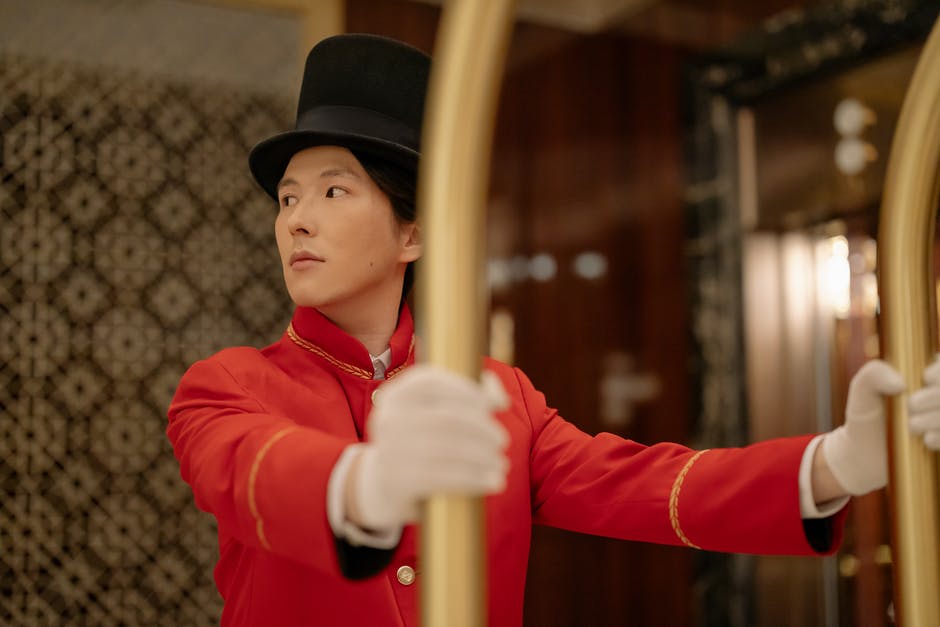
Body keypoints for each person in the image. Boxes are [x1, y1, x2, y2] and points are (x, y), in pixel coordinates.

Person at [166, 33, 940, 627]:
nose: (296, 219)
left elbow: (641, 485)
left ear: (414, 232)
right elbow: (255, 470)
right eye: (288, 197)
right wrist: (366, 482)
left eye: (333, 191)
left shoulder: (498, 396)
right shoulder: (225, 386)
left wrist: (835, 462)